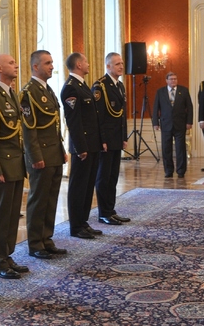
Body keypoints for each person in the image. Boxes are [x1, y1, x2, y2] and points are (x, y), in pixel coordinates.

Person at [20, 50, 67, 260]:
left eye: (52, 62)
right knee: (38, 200)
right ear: (36, 66)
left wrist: (62, 150)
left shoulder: (48, 90)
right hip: (41, 156)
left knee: (51, 199)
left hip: (54, 153)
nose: (52, 66)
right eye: (47, 63)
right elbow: (29, 130)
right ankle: (35, 243)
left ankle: (47, 239)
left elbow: (55, 125)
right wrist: (35, 156)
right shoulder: (28, 93)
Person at [0, 54, 29, 279]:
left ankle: (7, 255)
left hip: (16, 163)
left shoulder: (12, 93)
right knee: (1, 215)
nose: (16, 65)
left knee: (12, 215)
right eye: (12, 63)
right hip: (2, 163)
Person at [61, 52, 102, 238]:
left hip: (92, 145)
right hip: (82, 147)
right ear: (78, 64)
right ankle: (76, 226)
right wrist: (81, 147)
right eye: (85, 61)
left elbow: (92, 119)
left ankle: (83, 222)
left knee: (87, 186)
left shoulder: (82, 86)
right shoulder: (71, 88)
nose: (88, 63)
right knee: (78, 187)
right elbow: (74, 121)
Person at [93, 52, 130, 225]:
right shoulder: (100, 86)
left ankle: (111, 210)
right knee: (103, 177)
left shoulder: (120, 86)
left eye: (122, 63)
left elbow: (121, 115)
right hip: (106, 140)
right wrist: (102, 140)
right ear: (108, 66)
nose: (121, 66)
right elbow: (99, 116)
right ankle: (103, 213)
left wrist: (124, 137)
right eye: (117, 64)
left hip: (116, 138)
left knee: (113, 176)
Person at [152, 71, 194, 178]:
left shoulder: (183, 90)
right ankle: (168, 170)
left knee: (180, 148)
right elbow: (156, 108)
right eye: (171, 79)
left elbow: (189, 107)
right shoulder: (160, 92)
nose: (173, 81)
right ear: (167, 81)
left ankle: (181, 171)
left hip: (180, 124)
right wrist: (155, 123)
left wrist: (189, 122)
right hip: (166, 124)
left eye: (175, 79)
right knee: (166, 148)